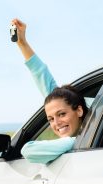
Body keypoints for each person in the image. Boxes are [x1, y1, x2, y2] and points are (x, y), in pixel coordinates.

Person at [11, 18, 88, 164]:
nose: (57, 123)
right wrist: (22, 43)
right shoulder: (84, 133)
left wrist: (73, 141)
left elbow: (28, 150)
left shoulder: (97, 110)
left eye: (62, 114)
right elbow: (41, 75)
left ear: (79, 111)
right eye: (50, 119)